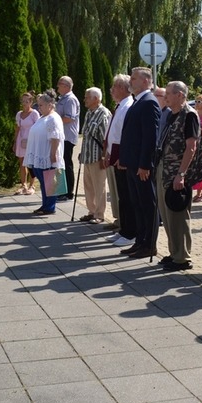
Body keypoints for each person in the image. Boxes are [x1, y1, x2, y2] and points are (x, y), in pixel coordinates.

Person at [157, 81, 201, 271]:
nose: (165, 96)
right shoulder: (171, 114)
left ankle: (183, 257)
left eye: (169, 93)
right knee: (167, 216)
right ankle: (174, 252)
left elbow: (192, 146)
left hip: (177, 173)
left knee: (178, 215)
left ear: (181, 96)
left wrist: (181, 174)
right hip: (164, 170)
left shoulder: (189, 115)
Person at [118, 67, 161, 260]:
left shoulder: (149, 102)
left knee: (147, 205)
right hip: (132, 164)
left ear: (145, 81)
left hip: (141, 166)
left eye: (133, 79)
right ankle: (140, 241)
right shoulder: (138, 102)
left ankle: (149, 244)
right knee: (137, 204)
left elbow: (150, 138)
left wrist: (145, 164)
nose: (130, 82)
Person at [104, 74, 135, 245]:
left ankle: (129, 232)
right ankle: (124, 229)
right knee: (121, 196)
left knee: (126, 196)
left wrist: (120, 156)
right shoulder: (120, 106)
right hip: (115, 153)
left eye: (114, 87)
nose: (111, 90)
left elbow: (124, 135)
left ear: (123, 88)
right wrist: (108, 152)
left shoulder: (127, 106)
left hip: (121, 155)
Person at [24, 90, 65, 215]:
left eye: (41, 105)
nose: (39, 107)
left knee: (50, 182)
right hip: (39, 155)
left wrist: (52, 154)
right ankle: (45, 205)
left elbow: (55, 137)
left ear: (50, 105)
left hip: (47, 156)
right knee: (43, 182)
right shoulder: (44, 117)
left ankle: (49, 207)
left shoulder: (53, 118)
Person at [79, 87, 111, 224]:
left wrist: (104, 157)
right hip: (87, 156)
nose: (84, 99)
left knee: (99, 186)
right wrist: (82, 152)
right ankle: (91, 211)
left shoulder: (103, 114)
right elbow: (86, 135)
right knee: (88, 186)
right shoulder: (89, 113)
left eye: (87, 97)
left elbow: (106, 139)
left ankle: (99, 214)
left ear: (96, 99)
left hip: (98, 157)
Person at [55, 76, 80, 201]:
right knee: (61, 163)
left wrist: (54, 121)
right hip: (61, 136)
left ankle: (69, 192)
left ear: (66, 86)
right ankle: (62, 190)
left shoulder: (70, 99)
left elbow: (69, 118)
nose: (57, 85)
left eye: (59, 83)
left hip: (67, 136)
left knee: (66, 163)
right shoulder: (62, 99)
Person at [14, 92, 39, 195]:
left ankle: (32, 185)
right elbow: (18, 128)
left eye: (26, 101)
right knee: (22, 162)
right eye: (22, 101)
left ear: (31, 102)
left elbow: (38, 128)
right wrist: (15, 142)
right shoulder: (19, 114)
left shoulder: (34, 114)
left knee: (31, 163)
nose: (24, 103)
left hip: (31, 140)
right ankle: (23, 184)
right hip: (21, 140)